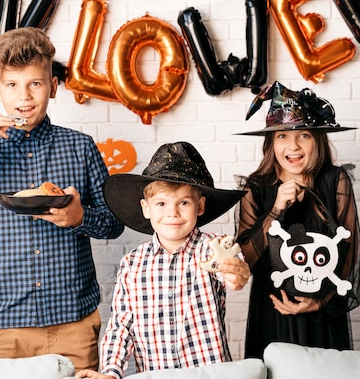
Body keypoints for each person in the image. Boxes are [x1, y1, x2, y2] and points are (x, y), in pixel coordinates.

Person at [0, 27, 124, 370]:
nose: (24, 96)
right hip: (7, 325)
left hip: (74, 321)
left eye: (35, 83)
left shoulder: (80, 147)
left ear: (53, 86)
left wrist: (79, 217)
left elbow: (115, 224)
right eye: (13, 85)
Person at [75, 141, 251, 379]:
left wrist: (236, 274)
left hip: (210, 374)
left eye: (184, 203)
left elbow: (233, 270)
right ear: (146, 209)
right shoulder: (132, 264)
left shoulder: (213, 247)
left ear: (199, 206)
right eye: (161, 203)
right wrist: (110, 371)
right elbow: (121, 326)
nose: (172, 213)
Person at [235, 81, 360, 358]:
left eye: (303, 135)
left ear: (318, 139)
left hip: (322, 317)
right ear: (271, 143)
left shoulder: (335, 181)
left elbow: (349, 252)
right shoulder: (255, 189)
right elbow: (245, 258)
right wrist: (276, 210)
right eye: (282, 136)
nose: (293, 145)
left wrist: (320, 301)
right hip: (272, 315)